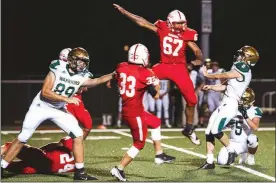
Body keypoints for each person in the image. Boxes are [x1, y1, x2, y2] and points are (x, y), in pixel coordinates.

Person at [1, 47, 115, 180]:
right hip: (41, 106)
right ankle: (2, 167)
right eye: (80, 61)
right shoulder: (58, 67)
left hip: (58, 109)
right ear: (72, 60)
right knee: (23, 137)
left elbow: (96, 81)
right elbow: (45, 92)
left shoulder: (83, 75)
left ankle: (80, 172)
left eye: (85, 62)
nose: (83, 65)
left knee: (78, 134)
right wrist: (67, 99)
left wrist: (113, 74)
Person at [113, 4, 202, 145]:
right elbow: (142, 22)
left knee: (192, 100)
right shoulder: (162, 28)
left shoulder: (186, 34)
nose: (180, 26)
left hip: (179, 68)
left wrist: (198, 59)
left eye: (182, 23)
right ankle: (131, 104)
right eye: (177, 23)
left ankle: (189, 128)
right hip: (164, 65)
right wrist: (125, 12)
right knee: (139, 75)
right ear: (169, 22)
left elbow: (196, 49)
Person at [110, 43, 175, 182]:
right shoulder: (145, 73)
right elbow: (156, 96)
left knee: (155, 122)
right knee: (139, 143)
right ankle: (119, 168)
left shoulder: (121, 66)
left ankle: (159, 154)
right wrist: (156, 82)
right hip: (135, 113)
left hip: (130, 109)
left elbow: (114, 79)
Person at [199, 45, 259, 169]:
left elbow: (224, 75)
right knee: (209, 131)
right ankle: (209, 161)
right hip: (225, 102)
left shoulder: (243, 68)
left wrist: (208, 75)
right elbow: (226, 87)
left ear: (247, 59)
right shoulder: (241, 71)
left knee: (216, 130)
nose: (239, 56)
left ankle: (230, 150)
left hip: (230, 104)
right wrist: (211, 87)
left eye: (242, 55)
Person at [217, 88, 262, 166]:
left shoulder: (255, 110)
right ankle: (236, 153)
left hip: (246, 143)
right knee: (221, 161)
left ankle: (251, 156)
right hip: (233, 142)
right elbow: (223, 127)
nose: (240, 101)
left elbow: (255, 127)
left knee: (253, 138)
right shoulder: (233, 109)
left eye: (243, 99)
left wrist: (245, 116)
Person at [58, 48, 93, 139]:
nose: (79, 63)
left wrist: (82, 84)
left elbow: (85, 88)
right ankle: (66, 149)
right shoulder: (58, 71)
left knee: (87, 125)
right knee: (74, 130)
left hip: (77, 101)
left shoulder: (78, 71)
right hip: (65, 102)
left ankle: (71, 148)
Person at [1, 137, 75, 174]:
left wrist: (40, 150)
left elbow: (56, 145)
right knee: (12, 167)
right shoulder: (76, 165)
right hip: (46, 170)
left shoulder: (72, 141)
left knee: (12, 146)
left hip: (45, 159)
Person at [182, 63, 199, 129]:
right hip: (185, 92)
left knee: (194, 107)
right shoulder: (183, 73)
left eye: (190, 66)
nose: (189, 67)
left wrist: (197, 90)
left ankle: (195, 123)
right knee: (185, 108)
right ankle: (185, 123)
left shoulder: (195, 73)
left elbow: (201, 81)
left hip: (193, 91)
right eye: (188, 66)